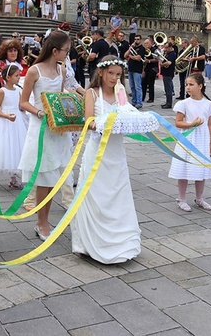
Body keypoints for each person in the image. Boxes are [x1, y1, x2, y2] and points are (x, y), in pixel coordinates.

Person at [71, 56, 141, 264]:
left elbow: (127, 116)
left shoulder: (121, 95)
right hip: (98, 151)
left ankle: (121, 242)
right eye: (111, 73)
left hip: (116, 152)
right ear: (101, 72)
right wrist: (103, 124)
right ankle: (89, 242)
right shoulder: (91, 93)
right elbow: (89, 120)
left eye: (118, 74)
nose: (114, 78)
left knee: (118, 192)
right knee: (95, 192)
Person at [18, 31, 74, 240]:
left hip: (57, 129)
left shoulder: (62, 70)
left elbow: (60, 97)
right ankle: (41, 222)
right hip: (41, 127)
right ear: (54, 51)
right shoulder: (34, 71)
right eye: (66, 51)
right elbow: (23, 102)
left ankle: (45, 218)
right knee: (44, 177)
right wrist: (40, 112)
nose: (67, 54)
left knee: (54, 177)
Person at [168, 73, 211, 212]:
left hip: (202, 140)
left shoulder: (208, 104)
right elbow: (178, 123)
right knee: (184, 168)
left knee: (200, 168)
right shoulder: (183, 104)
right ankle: (181, 198)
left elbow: (210, 124)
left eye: (191, 84)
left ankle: (199, 198)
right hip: (187, 140)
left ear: (200, 86)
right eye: (186, 85)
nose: (188, 87)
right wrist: (191, 124)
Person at [0, 65, 27, 188]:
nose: (19, 78)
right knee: (1, 147)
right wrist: (6, 116)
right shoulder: (2, 91)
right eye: (16, 76)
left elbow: (20, 106)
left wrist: (23, 112)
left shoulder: (18, 90)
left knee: (15, 147)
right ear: (8, 77)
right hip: (4, 122)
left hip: (16, 122)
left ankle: (13, 177)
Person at [124, 34, 145, 109]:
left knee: (138, 87)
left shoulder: (142, 48)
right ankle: (134, 101)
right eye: (135, 39)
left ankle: (139, 102)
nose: (136, 41)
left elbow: (138, 58)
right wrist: (131, 47)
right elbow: (125, 55)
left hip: (137, 70)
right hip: (131, 69)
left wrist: (131, 56)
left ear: (141, 40)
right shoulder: (132, 47)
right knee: (132, 86)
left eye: (138, 39)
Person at [160, 41, 177, 109]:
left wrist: (162, 64)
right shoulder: (167, 53)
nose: (165, 49)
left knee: (168, 89)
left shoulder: (172, 54)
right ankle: (167, 102)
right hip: (165, 72)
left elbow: (169, 63)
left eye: (166, 48)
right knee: (166, 89)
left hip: (168, 73)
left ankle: (169, 103)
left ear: (170, 47)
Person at [141, 36, 158, 103]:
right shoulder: (144, 50)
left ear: (151, 43)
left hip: (152, 68)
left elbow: (157, 59)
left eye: (147, 43)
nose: (146, 45)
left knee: (151, 84)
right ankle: (142, 97)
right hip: (146, 68)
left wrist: (149, 61)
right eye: (145, 44)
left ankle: (151, 98)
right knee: (143, 83)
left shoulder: (154, 50)